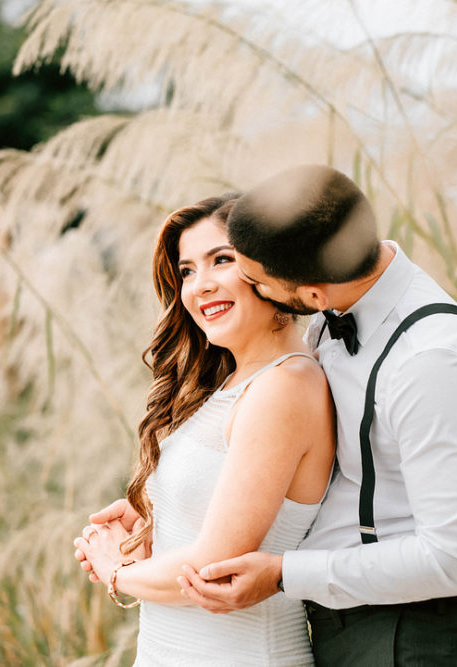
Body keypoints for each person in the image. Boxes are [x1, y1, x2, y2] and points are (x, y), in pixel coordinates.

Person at [95, 165, 457, 665]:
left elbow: (455, 559)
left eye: (251, 277)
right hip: (334, 627)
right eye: (189, 270)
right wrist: (166, 509)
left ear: (309, 297)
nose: (209, 287)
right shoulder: (323, 325)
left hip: (417, 637)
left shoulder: (435, 358)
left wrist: (285, 573)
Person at [73, 192, 335, 666]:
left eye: (221, 260)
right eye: (187, 270)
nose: (200, 286)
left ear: (269, 268)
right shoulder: (233, 384)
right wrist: (150, 514)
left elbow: (212, 566)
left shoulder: (286, 386)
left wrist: (117, 569)